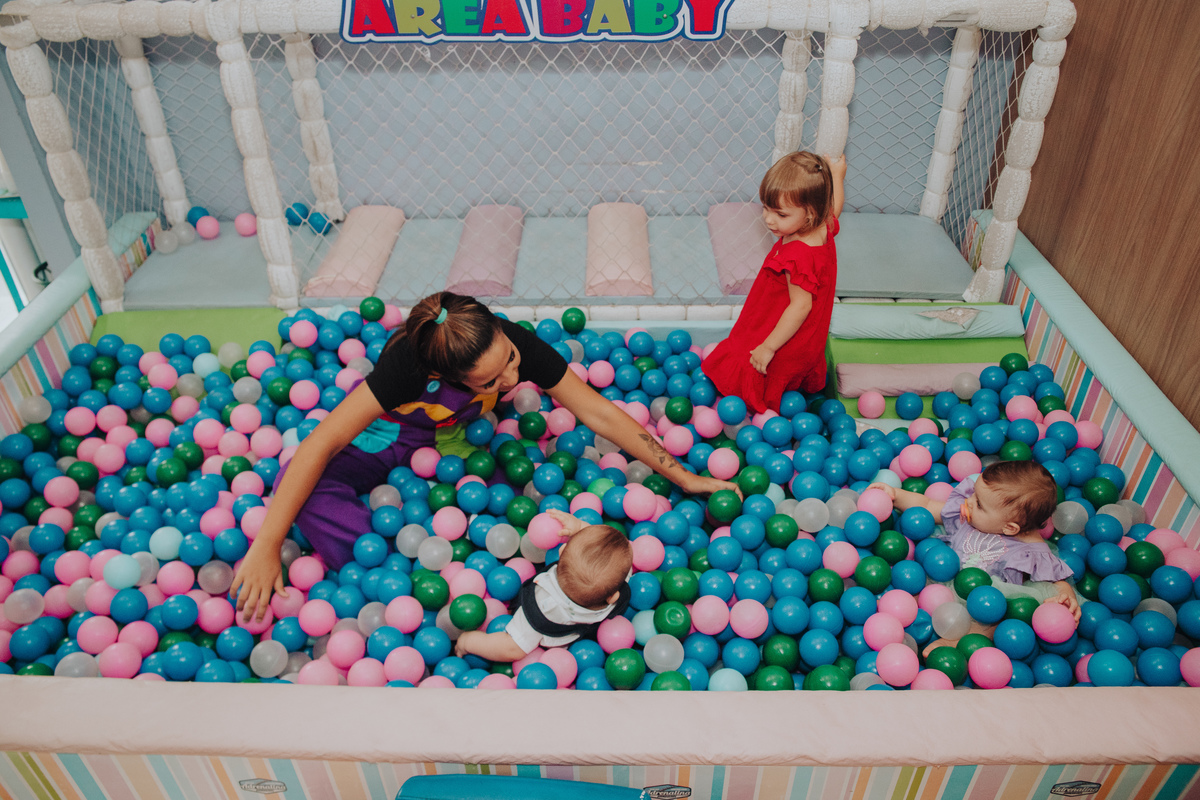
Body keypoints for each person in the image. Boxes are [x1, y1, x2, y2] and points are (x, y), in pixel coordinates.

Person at [231, 292, 738, 621]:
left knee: (515, 502)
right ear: (447, 378)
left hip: (463, 441)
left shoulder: (513, 340)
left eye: (510, 363)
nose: (513, 381)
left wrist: (684, 475)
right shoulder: (404, 367)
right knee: (300, 486)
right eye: (491, 382)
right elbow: (321, 441)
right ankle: (387, 582)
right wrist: (266, 544)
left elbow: (598, 413)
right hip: (397, 433)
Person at [870, 460, 1080, 650]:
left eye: (979, 503)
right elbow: (928, 505)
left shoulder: (1031, 552)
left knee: (995, 619)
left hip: (980, 602)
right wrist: (896, 495)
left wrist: (1066, 598)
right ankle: (894, 612)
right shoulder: (967, 516)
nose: (969, 501)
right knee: (912, 586)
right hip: (941, 581)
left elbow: (1056, 580)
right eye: (974, 494)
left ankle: (959, 642)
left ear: (1009, 528)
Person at [702, 151, 847, 414]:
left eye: (780, 214)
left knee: (754, 358)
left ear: (810, 213)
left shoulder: (797, 256)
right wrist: (837, 175)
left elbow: (800, 307)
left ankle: (757, 403)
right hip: (803, 329)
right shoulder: (821, 226)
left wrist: (768, 347)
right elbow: (834, 208)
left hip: (782, 327)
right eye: (766, 209)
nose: (769, 219)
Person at [455, 510, 631, 661]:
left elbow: (511, 648)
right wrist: (580, 528)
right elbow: (608, 557)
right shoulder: (616, 582)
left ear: (561, 552)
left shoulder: (542, 612)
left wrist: (468, 642)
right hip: (577, 630)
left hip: (544, 627)